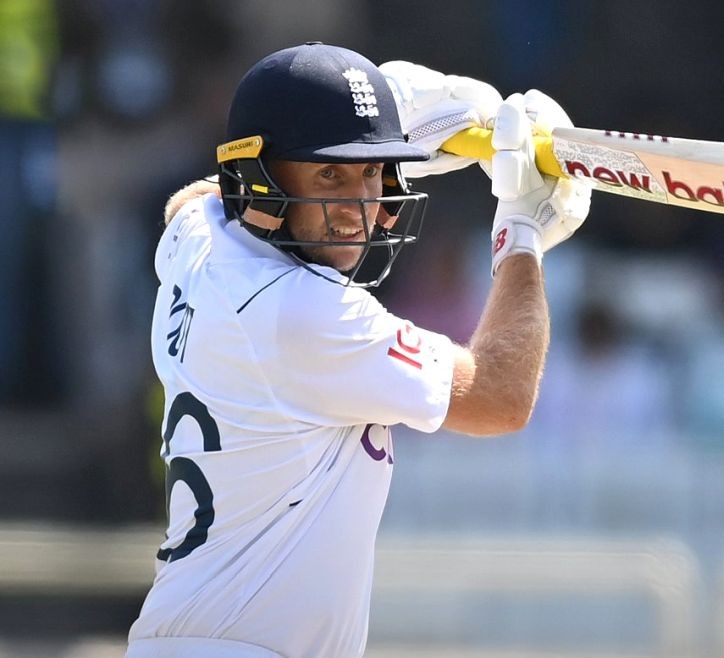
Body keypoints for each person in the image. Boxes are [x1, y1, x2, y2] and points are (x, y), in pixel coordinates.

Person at [124, 43, 590, 658]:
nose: (357, 208)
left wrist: (375, 129)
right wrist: (521, 234)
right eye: (329, 175)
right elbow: (501, 396)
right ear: (260, 178)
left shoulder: (202, 240)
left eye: (372, 172)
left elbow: (190, 201)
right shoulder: (304, 314)